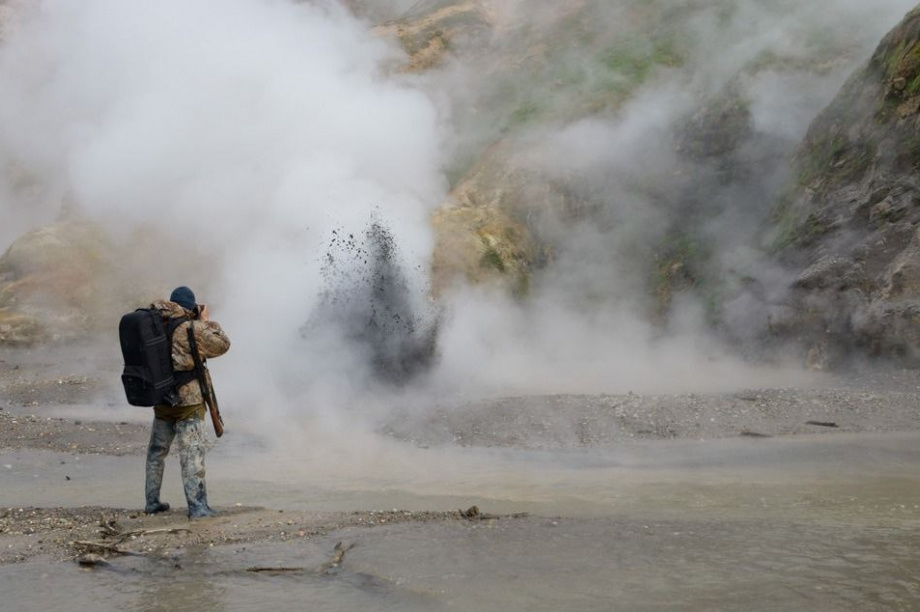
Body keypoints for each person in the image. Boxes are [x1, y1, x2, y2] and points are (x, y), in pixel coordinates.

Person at [145, 286, 231, 519]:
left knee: (156, 452)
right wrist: (206, 321)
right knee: (192, 454)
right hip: (189, 401)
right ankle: (198, 507)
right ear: (190, 307)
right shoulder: (191, 328)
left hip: (161, 398)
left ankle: (152, 502)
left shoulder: (154, 325)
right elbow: (223, 345)